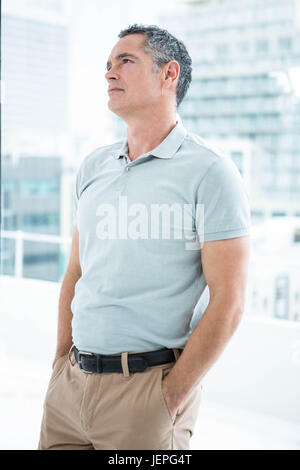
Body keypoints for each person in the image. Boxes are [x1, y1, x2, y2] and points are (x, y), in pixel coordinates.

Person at [37, 23, 251, 450]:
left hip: (147, 396)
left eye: (126, 61)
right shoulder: (93, 167)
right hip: (69, 390)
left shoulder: (211, 171)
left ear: (168, 74)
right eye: (108, 65)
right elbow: (76, 273)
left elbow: (229, 301)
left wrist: (170, 397)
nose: (110, 73)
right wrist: (61, 363)